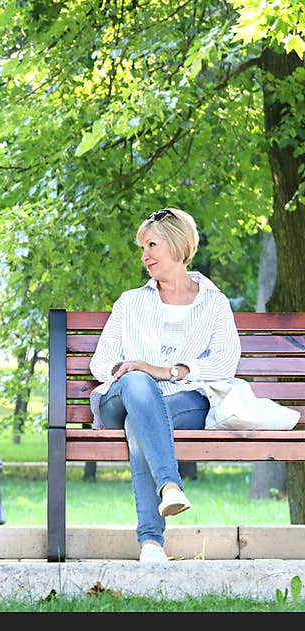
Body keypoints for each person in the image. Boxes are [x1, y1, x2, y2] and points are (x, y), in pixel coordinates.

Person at [89, 207, 241, 562]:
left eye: (152, 245)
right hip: (121, 398)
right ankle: (169, 486)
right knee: (139, 388)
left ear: (176, 246)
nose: (145, 256)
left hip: (184, 401)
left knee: (140, 422)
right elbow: (101, 360)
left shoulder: (214, 304)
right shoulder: (131, 302)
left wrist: (166, 371)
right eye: (143, 248)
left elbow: (224, 362)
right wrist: (132, 373)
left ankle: (151, 543)